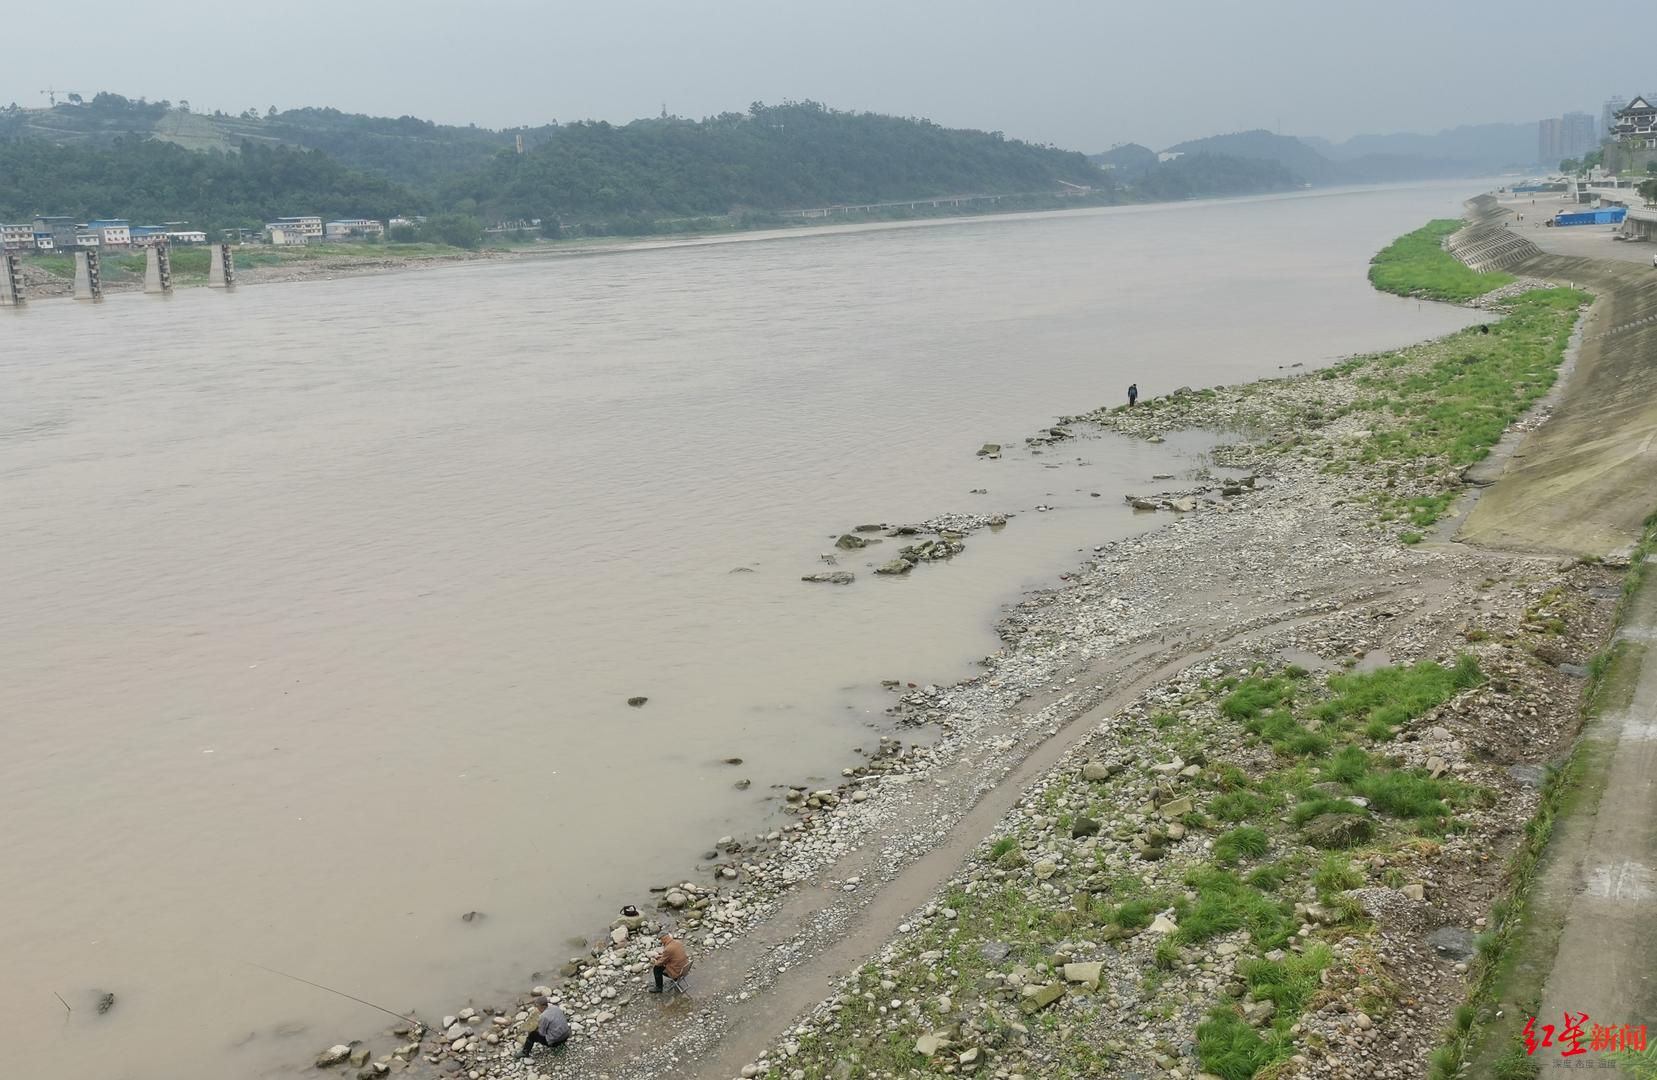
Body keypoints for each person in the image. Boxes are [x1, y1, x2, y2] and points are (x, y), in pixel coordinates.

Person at [519, 994, 569, 1060]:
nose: (537, 1008)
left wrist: (536, 1028)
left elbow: (542, 1033)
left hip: (556, 1041)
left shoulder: (543, 1016)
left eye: (537, 1006)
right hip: (566, 1035)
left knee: (532, 1035)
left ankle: (524, 1052)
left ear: (541, 1006)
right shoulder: (555, 1008)